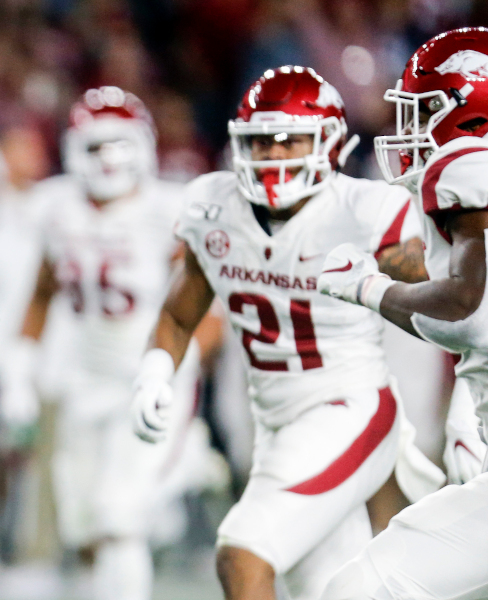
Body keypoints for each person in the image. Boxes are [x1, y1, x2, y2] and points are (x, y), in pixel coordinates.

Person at [130, 66, 442, 600]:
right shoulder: (216, 206)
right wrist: (156, 372)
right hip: (272, 418)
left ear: (330, 142)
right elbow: (180, 314)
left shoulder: (363, 209)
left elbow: (436, 295)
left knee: (243, 550)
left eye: (289, 139)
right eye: (261, 142)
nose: (274, 155)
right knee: (328, 589)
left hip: (349, 405)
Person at [0, 86, 224, 600]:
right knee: (86, 528)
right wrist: (19, 375)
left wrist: (174, 374)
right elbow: (41, 294)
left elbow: (209, 314)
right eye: (95, 147)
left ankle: (184, 456)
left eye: (118, 146)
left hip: (147, 375)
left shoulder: (171, 209)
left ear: (143, 145)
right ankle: (176, 476)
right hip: (84, 376)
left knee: (120, 516)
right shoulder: (56, 207)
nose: (107, 160)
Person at [320, 27, 488, 599]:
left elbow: (463, 309)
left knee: (361, 589)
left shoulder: (467, 166)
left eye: (424, 112)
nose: (410, 131)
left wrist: (367, 288)